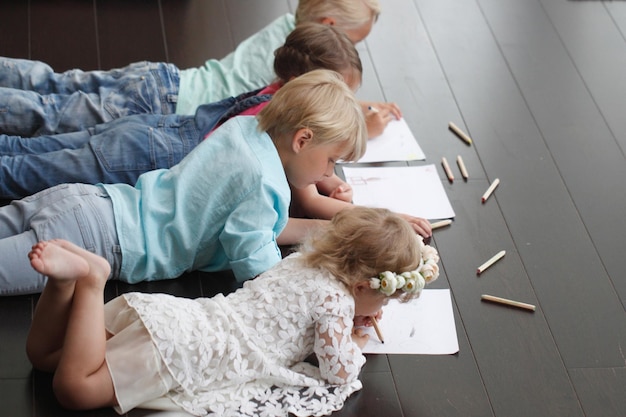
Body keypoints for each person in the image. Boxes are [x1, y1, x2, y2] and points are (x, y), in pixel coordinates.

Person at [25, 206, 440, 416]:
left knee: (46, 358)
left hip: (181, 319)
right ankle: (91, 280)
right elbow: (340, 372)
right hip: (186, 353)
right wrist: (355, 336)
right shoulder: (336, 302)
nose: (380, 307)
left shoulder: (305, 261)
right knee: (74, 390)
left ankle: (63, 285)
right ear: (365, 286)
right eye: (383, 299)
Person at [0, 69, 367, 296]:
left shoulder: (243, 131)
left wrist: (327, 226)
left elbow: (260, 224)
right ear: (302, 140)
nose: (328, 173)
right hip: (101, 242)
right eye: (331, 160)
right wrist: (322, 288)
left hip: (92, 201)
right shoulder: (264, 185)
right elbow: (262, 272)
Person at [0, 0, 398, 138]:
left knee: (57, 84)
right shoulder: (297, 69)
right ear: (329, 29)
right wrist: (361, 121)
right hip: (163, 108)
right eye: (352, 42)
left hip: (163, 80)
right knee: (50, 116)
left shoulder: (286, 33)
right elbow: (307, 115)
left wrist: (354, 100)